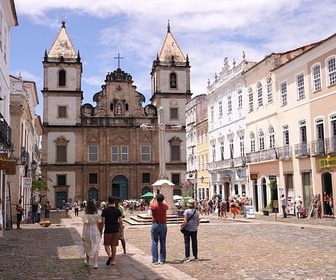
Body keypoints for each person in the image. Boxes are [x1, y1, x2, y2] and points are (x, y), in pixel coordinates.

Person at [100, 196, 123, 266]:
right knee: (114, 245)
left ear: (108, 201)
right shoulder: (118, 210)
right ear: (114, 202)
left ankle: (109, 254)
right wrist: (121, 230)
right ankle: (113, 260)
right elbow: (121, 221)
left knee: (106, 244)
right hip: (116, 229)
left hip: (108, 229)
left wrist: (101, 230)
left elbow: (103, 221)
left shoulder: (105, 210)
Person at [81, 200, 102, 269]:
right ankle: (96, 263)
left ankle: (88, 261)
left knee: (88, 246)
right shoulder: (98, 213)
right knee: (96, 246)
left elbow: (85, 225)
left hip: (88, 231)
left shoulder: (86, 214)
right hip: (95, 230)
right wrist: (100, 231)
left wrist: (83, 234)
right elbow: (99, 222)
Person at [149, 193, 168, 265]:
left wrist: (154, 198)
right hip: (163, 225)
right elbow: (165, 203)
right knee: (163, 242)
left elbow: (150, 203)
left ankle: (155, 260)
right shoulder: (165, 206)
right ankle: (162, 259)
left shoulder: (154, 206)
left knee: (154, 242)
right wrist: (162, 199)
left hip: (155, 224)